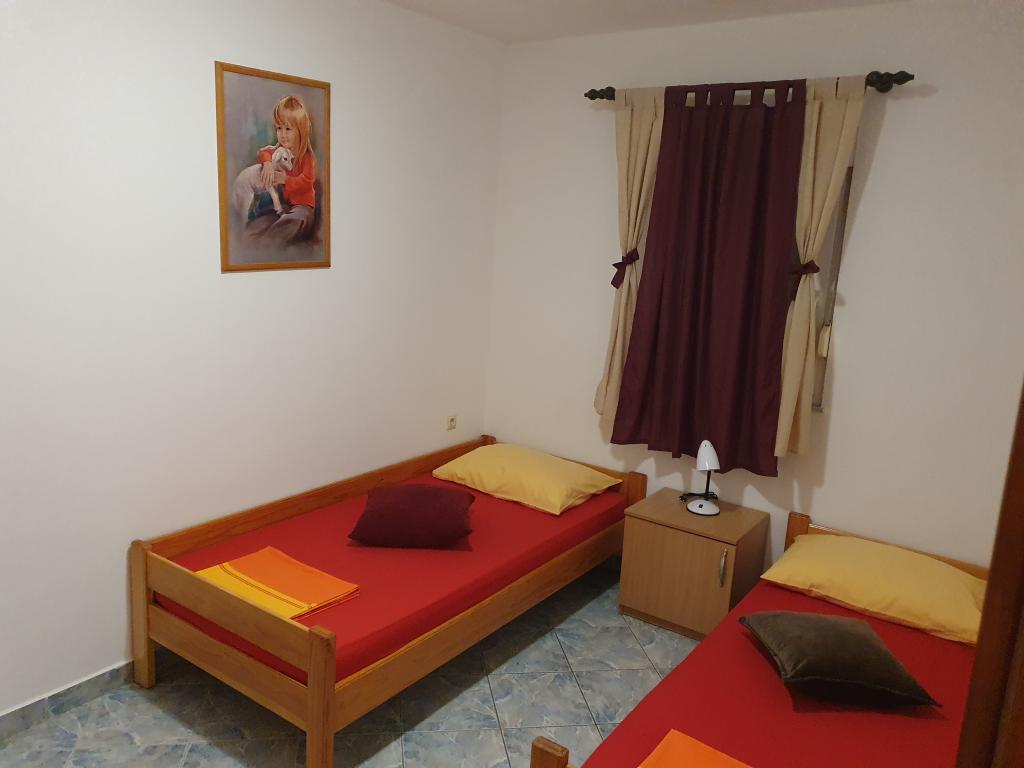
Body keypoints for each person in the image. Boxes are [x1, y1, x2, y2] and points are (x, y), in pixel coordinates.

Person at [246, 94, 317, 243]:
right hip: (285, 205)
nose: (283, 135)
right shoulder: (280, 149)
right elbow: (264, 152)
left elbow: (307, 181)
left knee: (294, 220)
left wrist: (286, 180)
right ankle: (254, 240)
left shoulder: (307, 157)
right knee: (259, 224)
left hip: (303, 207)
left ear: (301, 131)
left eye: (288, 129)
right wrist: (267, 164)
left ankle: (265, 243)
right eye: (279, 128)